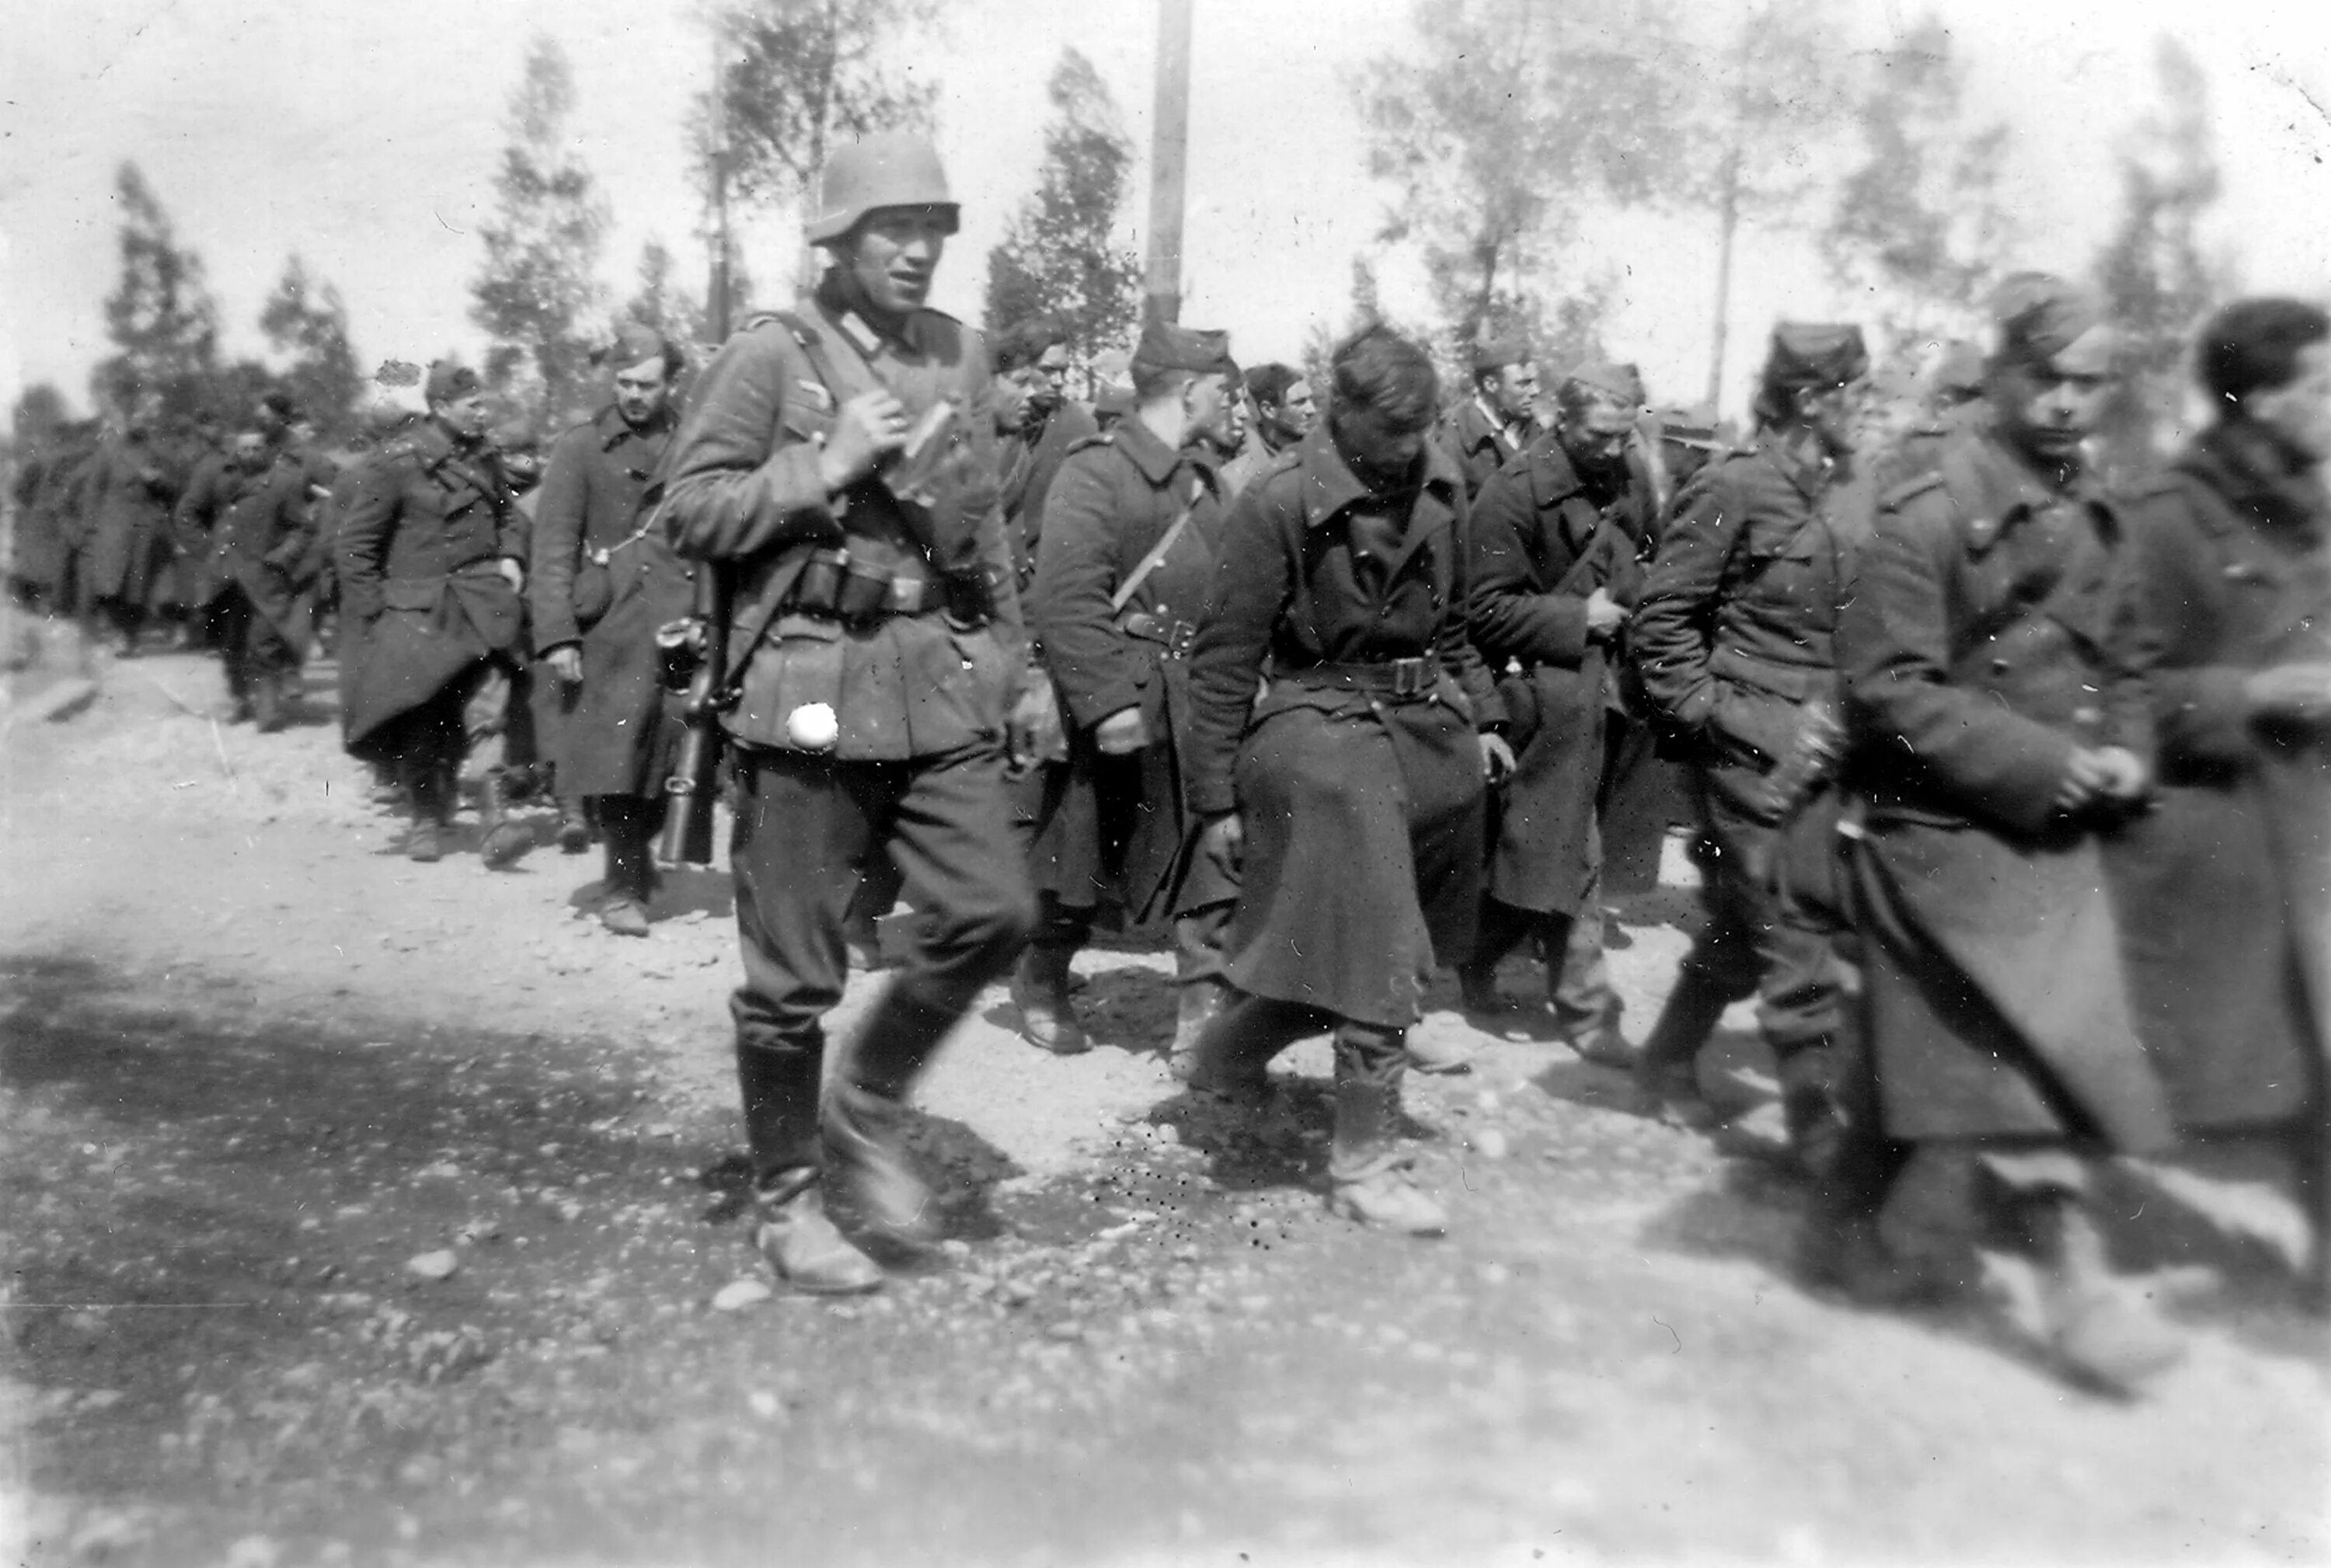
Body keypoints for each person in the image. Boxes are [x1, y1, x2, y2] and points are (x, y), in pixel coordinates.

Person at [658, 131, 1037, 1295]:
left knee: (994, 908)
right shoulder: (771, 356)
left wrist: (1018, 666)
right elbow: (690, 510)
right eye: (892, 229)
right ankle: (785, 1205)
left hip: (934, 678)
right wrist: (821, 466)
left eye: (932, 229)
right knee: (793, 972)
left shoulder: (962, 356)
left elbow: (983, 534)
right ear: (837, 241)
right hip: (809, 693)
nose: (918, 251)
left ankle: (864, 1103)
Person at [1823, 274, 2183, 1394]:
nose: (2073, 403)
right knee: (2026, 1050)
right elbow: (1887, 681)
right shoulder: (1925, 507)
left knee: (1950, 1053)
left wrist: (2127, 748)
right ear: (2006, 370)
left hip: (2047, 826)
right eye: (2054, 379)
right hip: (1936, 824)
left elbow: (2126, 660)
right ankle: (2070, 1279)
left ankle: (1855, 1236)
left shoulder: (2095, 513)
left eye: (2093, 386)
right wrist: (2039, 763)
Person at [1174, 323, 1514, 1235]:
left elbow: (1452, 630)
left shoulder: (1443, 481)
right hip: (1315, 725)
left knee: (1364, 925)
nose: (1409, 451)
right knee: (1379, 946)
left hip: (1419, 727)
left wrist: (1481, 717)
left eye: (1421, 430)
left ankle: (1224, 1052)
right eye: (1393, 434)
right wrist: (1213, 802)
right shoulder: (1279, 500)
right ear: (1344, 415)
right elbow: (1221, 663)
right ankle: (1363, 1163)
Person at [2111, 297, 2331, 1304]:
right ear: (2257, 400)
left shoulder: (2313, 511)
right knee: (2143, 1073)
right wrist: (2251, 694)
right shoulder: (2166, 518)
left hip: (2308, 836)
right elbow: (2110, 694)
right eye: (2323, 389)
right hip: (2214, 853)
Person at [1629, 325, 1869, 1160]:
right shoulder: (1734, 484)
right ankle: (1821, 1130)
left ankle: (1663, 1060)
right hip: (1743, 746)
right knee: (1789, 922)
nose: (1865, 410)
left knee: (1744, 920)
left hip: (1821, 745)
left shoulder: (1838, 491)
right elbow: (1662, 619)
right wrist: (1707, 715)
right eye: (1856, 393)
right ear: (1812, 400)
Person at [1016, 318, 1235, 1056]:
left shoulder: (1204, 480)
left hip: (1193, 694)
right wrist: (1107, 703)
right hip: (1119, 695)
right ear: (1192, 391)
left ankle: (1202, 1019)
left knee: (1208, 850)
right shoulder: (1095, 471)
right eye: (1223, 391)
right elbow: (1066, 600)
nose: (1229, 403)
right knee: (1083, 857)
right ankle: (1042, 977)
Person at [1459, 360, 1653, 1068]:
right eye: (1600, 436)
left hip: (1611, 694)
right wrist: (1579, 616)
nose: (1612, 450)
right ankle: (1587, 1011)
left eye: (1624, 434)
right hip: (1543, 700)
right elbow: (1478, 610)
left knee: (1543, 852)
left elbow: (1650, 554)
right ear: (1560, 421)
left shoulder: (1630, 474)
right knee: (1575, 853)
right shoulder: (1512, 495)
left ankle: (1475, 955)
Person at [531, 324, 692, 936]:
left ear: (669, 383)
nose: (633, 395)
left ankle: (639, 857)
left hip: (679, 617)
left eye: (646, 384)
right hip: (610, 622)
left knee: (668, 752)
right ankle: (622, 885)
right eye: (623, 382)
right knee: (620, 756)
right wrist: (558, 635)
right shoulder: (581, 448)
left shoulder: (694, 441)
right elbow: (552, 547)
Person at [336, 360, 528, 863]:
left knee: (488, 711)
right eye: (474, 405)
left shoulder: (486, 459)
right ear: (441, 407)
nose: (484, 413)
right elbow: (355, 546)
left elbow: (511, 517)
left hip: (481, 605)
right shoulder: (397, 463)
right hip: (418, 614)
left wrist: (511, 555)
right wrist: (377, 615)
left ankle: (494, 820)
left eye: (484, 403)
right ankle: (424, 817)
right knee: (425, 719)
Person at [190, 424, 317, 730]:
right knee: (231, 644)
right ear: (237, 452)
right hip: (226, 577)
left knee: (263, 642)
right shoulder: (221, 481)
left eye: (257, 448)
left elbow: (302, 528)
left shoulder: (284, 484)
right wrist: (208, 549)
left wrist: (282, 557)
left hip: (265, 577)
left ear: (268, 451)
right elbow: (190, 513)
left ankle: (268, 707)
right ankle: (238, 700)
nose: (250, 454)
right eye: (244, 449)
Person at [78, 395, 178, 654]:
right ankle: (120, 631)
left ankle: (130, 637)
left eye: (142, 418)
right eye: (132, 417)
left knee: (139, 587)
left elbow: (174, 491)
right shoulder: (108, 453)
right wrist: (90, 529)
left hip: (144, 529)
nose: (137, 423)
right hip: (113, 529)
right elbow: (92, 491)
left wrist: (157, 481)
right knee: (111, 587)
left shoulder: (156, 453)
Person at [1434, 338, 1538, 502]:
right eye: (1523, 384)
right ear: (1491, 384)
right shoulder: (1454, 439)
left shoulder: (1538, 429)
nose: (1535, 391)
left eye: (1534, 382)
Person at [1219, 362, 1315, 499]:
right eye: (1300, 402)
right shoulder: (1240, 477)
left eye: (1311, 400)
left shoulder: (1320, 456)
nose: (1312, 410)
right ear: (1269, 410)